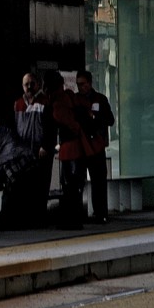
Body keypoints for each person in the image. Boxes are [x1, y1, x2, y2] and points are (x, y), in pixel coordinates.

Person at [43, 70, 88, 229]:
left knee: (69, 184)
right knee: (74, 184)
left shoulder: (58, 103)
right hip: (76, 146)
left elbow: (69, 124)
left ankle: (72, 219)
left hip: (69, 147)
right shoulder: (69, 97)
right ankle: (74, 218)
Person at [9, 71, 54, 228]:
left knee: (40, 186)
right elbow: (14, 128)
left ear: (38, 84)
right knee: (25, 185)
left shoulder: (44, 103)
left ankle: (39, 218)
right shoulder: (17, 104)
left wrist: (46, 146)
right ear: (22, 86)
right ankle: (26, 218)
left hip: (39, 151)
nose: (29, 87)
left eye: (32, 83)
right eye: (26, 84)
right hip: (23, 152)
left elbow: (50, 128)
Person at [74, 70, 115, 224]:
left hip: (96, 145)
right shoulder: (76, 100)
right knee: (78, 181)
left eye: (83, 84)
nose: (80, 87)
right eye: (78, 85)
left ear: (90, 84)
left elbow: (110, 120)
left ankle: (101, 213)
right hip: (81, 146)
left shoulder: (100, 99)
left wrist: (95, 117)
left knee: (99, 181)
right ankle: (80, 213)